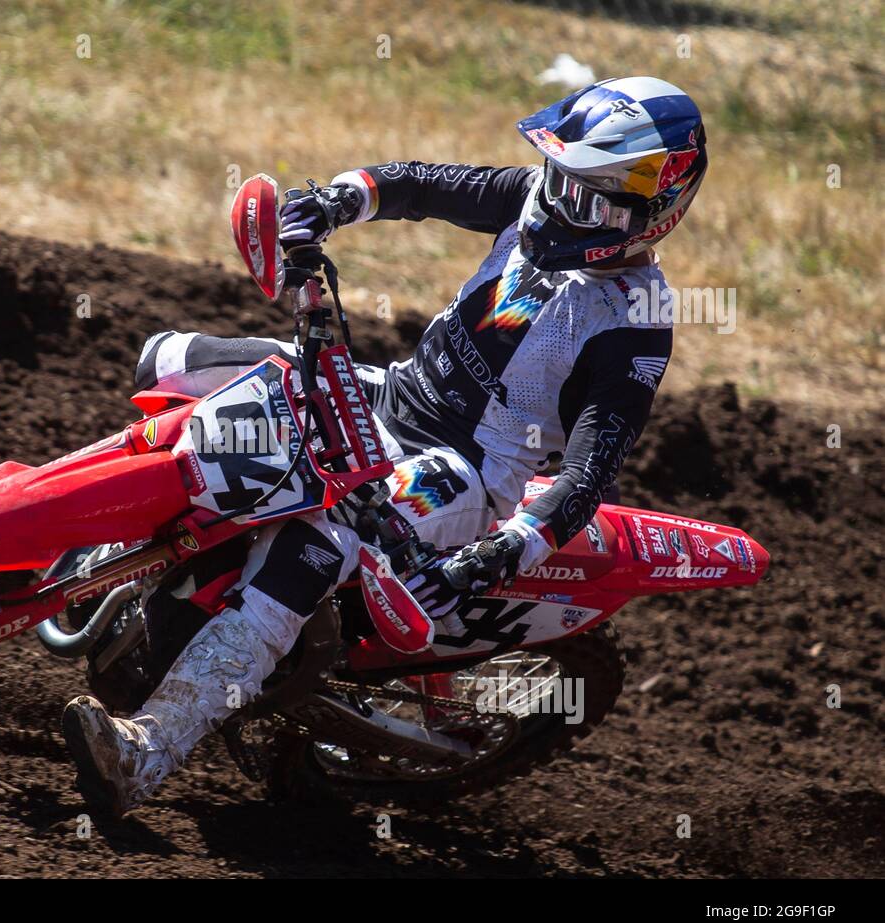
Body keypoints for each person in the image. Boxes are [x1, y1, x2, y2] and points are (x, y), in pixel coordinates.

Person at [62, 76, 708, 816]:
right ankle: (97, 541)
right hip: (391, 391)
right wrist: (337, 201)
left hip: (465, 469)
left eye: (589, 197)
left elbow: (591, 469)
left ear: (658, 209)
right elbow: (418, 184)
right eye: (560, 180)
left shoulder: (636, 321)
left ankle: (144, 751)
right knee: (174, 362)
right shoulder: (536, 202)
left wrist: (511, 546)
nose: (561, 204)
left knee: (313, 546)